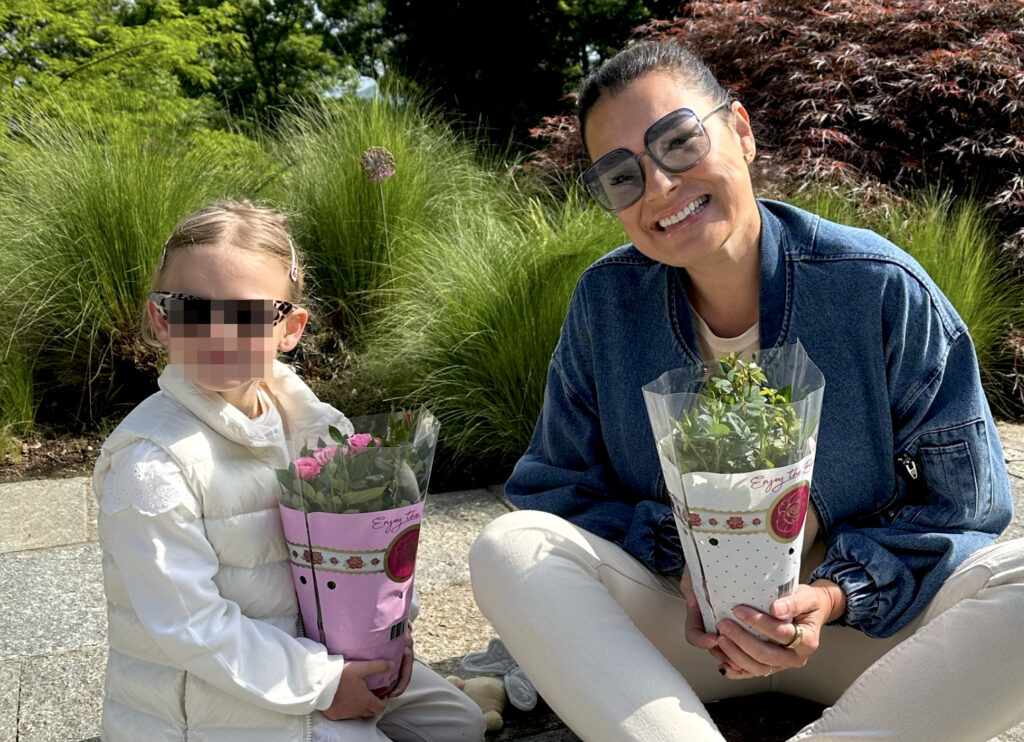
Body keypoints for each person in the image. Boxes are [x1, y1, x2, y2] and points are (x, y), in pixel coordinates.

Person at [469, 40, 1024, 742]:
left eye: (678, 141)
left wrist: (832, 595)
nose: (661, 188)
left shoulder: (879, 288)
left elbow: (967, 507)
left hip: (862, 637)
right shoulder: (607, 303)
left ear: (740, 129)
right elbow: (554, 488)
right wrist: (689, 561)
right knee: (509, 547)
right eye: (622, 178)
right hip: (688, 633)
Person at [93, 198, 484, 742]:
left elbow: (375, 547)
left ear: (290, 328)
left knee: (458, 726)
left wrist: (392, 634)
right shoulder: (152, 463)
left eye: (248, 314)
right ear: (161, 317)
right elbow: (192, 627)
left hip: (321, 650)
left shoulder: (312, 423)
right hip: (216, 700)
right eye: (192, 309)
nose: (219, 333)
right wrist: (324, 685)